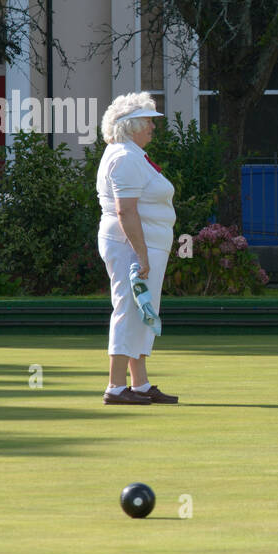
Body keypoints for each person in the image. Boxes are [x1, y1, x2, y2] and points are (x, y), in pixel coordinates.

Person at [95, 93, 178, 405]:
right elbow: (125, 212)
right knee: (129, 310)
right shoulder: (125, 158)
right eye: (148, 122)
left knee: (142, 311)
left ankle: (139, 384)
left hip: (145, 245)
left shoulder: (130, 154)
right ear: (130, 126)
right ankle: (116, 387)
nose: (152, 129)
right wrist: (141, 255)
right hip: (131, 246)